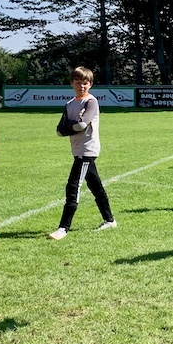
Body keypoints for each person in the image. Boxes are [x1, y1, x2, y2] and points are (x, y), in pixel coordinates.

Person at [49, 67, 117, 240]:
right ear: (72, 83)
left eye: (85, 83)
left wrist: (70, 126)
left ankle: (63, 228)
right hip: (77, 149)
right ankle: (110, 220)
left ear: (90, 84)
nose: (82, 86)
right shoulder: (70, 104)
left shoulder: (91, 101)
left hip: (87, 150)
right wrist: (73, 125)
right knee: (96, 187)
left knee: (73, 186)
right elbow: (59, 130)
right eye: (78, 82)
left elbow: (82, 125)